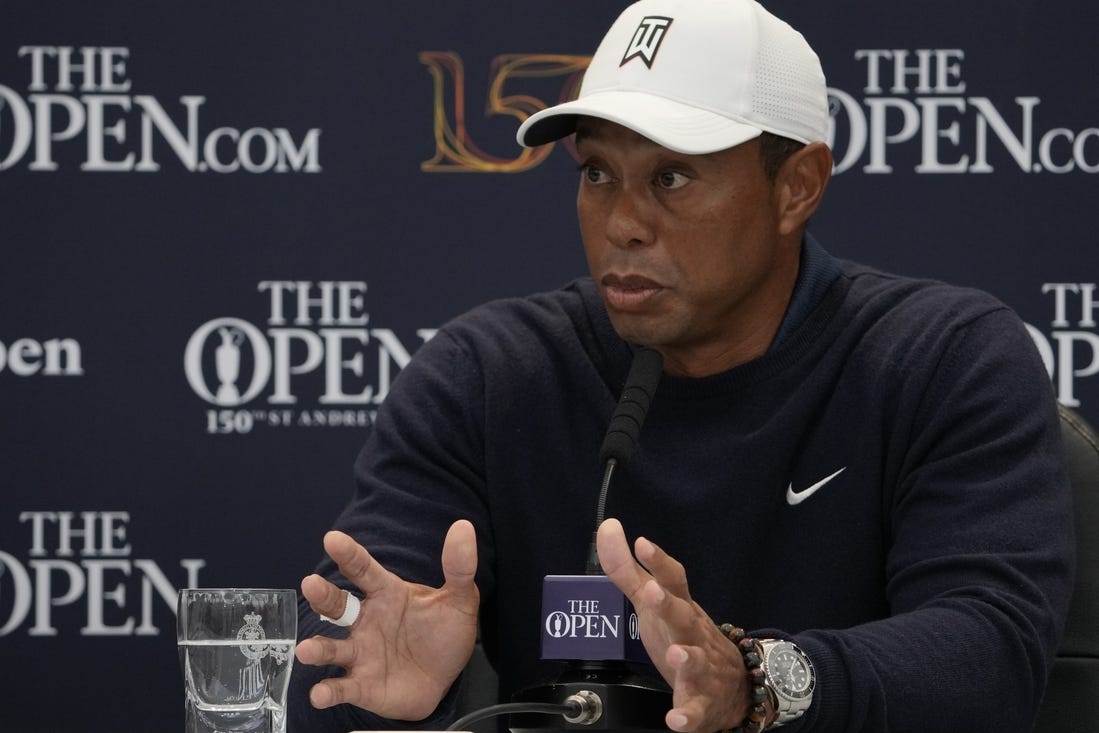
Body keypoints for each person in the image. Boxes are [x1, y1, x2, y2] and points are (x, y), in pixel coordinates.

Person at [288, 0, 1074, 731]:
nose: (622, 224)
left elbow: (989, 653)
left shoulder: (942, 356)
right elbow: (348, 651)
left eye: (669, 177)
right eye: (597, 173)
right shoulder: (488, 371)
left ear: (796, 187)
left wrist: (756, 679)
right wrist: (402, 685)